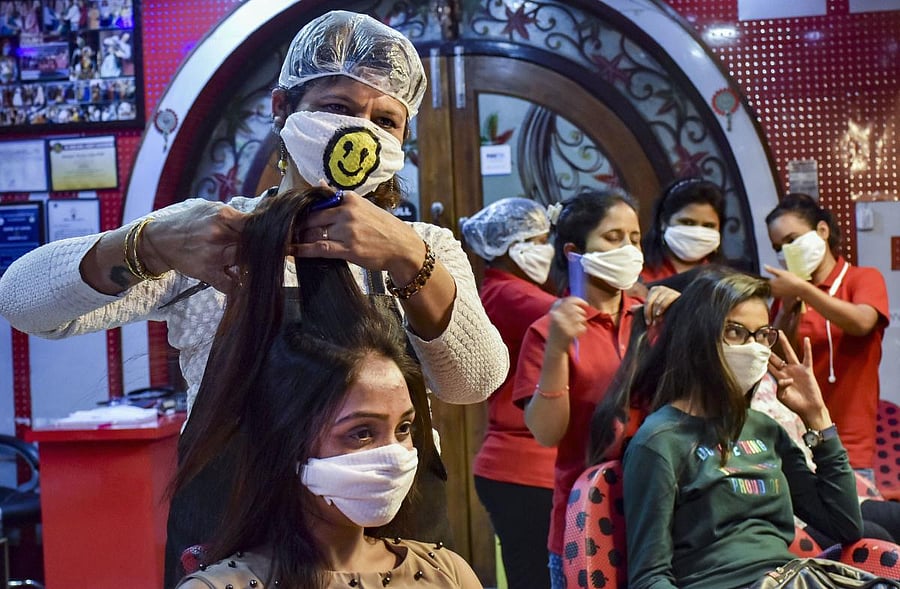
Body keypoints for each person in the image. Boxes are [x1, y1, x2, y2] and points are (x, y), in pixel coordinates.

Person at [0, 10, 508, 587]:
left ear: (401, 139)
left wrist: (411, 262)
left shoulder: (425, 248)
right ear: (281, 108)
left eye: (385, 119)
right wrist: (144, 244)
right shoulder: (207, 236)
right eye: (338, 106)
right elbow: (22, 301)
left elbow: (474, 382)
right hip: (234, 538)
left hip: (386, 540)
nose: (360, 130)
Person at [174, 186, 481, 589]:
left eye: (405, 428)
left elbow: (479, 379)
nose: (394, 456)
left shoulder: (447, 573)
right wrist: (140, 246)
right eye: (361, 432)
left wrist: (410, 253)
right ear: (289, 441)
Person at [592, 267, 888, 589]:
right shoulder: (659, 442)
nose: (754, 347)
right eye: (736, 332)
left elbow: (844, 526)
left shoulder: (765, 429)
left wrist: (818, 417)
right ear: (699, 338)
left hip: (788, 578)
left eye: (762, 334)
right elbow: (649, 578)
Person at [511, 190, 674, 589]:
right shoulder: (547, 332)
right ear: (573, 251)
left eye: (635, 239)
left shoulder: (654, 319)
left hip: (662, 517)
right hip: (587, 523)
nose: (629, 249)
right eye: (613, 237)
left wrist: (683, 320)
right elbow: (547, 432)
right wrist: (556, 350)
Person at [460, 198, 558, 589]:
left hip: (520, 467)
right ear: (510, 246)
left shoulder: (507, 290)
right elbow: (581, 324)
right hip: (523, 468)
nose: (545, 249)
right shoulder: (512, 296)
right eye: (538, 240)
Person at [764, 193, 889, 477]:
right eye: (778, 247)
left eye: (792, 239)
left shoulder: (863, 278)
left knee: (854, 519)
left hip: (851, 442)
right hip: (796, 439)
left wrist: (804, 290)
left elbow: (862, 323)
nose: (785, 252)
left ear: (822, 231)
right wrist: (786, 311)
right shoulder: (788, 297)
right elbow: (774, 360)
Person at [640, 177, 725, 285]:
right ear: (663, 222)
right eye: (688, 223)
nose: (697, 234)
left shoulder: (725, 283)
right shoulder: (634, 274)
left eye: (708, 226)